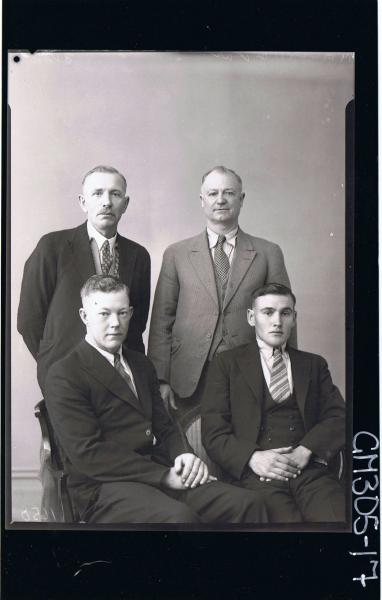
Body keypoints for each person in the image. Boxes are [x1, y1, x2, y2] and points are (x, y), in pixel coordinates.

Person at [45, 275, 268, 524]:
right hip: (104, 487)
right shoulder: (64, 373)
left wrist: (184, 456)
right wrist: (162, 476)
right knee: (179, 518)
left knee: (248, 504)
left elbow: (165, 425)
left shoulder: (141, 364)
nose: (115, 323)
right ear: (85, 317)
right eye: (104, 314)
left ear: (130, 313)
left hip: (159, 471)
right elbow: (89, 454)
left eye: (122, 313)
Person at [148, 166, 295, 427]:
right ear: (201, 200)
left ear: (242, 199)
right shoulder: (176, 254)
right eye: (213, 193)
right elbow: (162, 321)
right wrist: (160, 379)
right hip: (190, 377)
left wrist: (287, 372)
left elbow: (284, 316)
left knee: (247, 442)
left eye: (229, 192)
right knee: (192, 448)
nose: (220, 199)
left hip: (252, 371)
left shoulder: (268, 252)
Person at [201, 283, 346, 523]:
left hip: (310, 472)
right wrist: (253, 458)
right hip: (257, 478)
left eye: (285, 313)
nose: (277, 321)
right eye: (267, 312)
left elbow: (339, 416)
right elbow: (214, 433)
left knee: (336, 518)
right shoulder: (226, 364)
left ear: (294, 319)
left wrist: (305, 450)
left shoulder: (313, 365)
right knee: (283, 531)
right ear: (251, 317)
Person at [17, 165, 150, 392]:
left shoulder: (138, 255)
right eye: (97, 193)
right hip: (67, 381)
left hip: (120, 383)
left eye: (115, 194)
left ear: (125, 204)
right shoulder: (52, 248)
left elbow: (135, 325)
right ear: (82, 202)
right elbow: (29, 320)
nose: (106, 202)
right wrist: (54, 364)